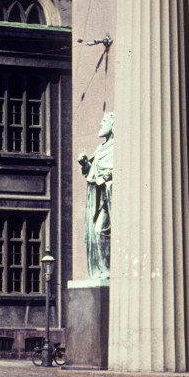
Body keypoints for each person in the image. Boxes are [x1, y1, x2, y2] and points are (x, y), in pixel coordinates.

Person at [77, 112, 114, 281]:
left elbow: (119, 171)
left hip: (110, 200)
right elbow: (91, 172)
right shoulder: (100, 148)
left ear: (113, 125)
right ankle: (101, 269)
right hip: (100, 199)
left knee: (100, 231)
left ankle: (107, 268)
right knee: (96, 232)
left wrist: (106, 177)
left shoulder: (117, 147)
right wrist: (85, 163)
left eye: (104, 121)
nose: (100, 123)